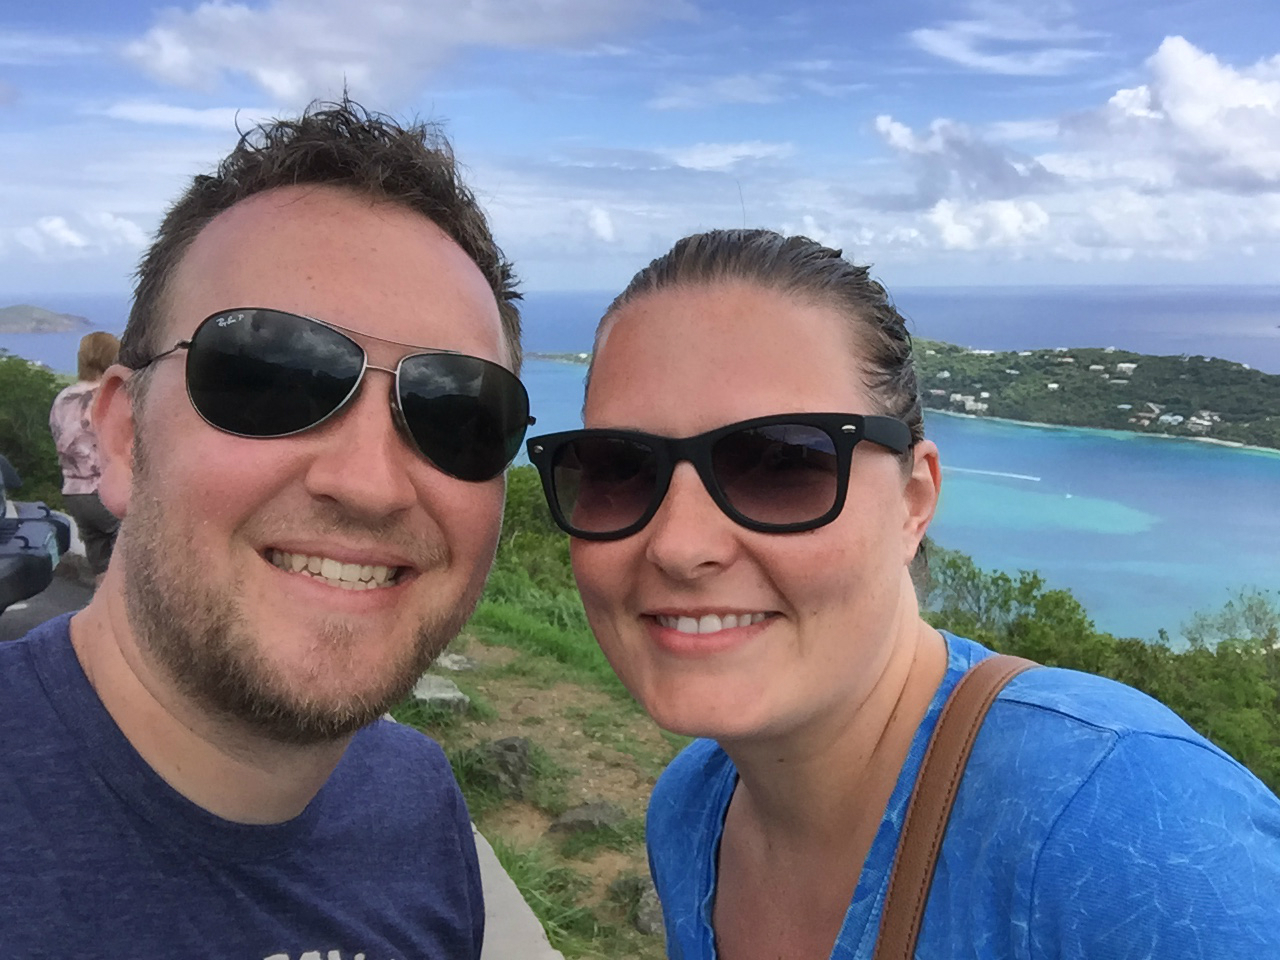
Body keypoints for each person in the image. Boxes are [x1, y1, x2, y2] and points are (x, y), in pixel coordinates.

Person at [525, 229, 1280, 959]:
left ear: (914, 501)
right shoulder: (691, 810)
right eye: (617, 468)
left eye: (782, 463)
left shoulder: (1130, 831)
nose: (680, 545)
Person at [0, 99, 534, 957]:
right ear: (124, 435)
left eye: (455, 411)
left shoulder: (417, 804)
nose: (367, 483)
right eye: (268, 376)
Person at [49, 330, 123, 579]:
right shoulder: (110, 397)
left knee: (101, 566)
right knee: (131, 563)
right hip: (106, 492)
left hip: (74, 494)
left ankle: (105, 613)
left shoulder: (62, 398)